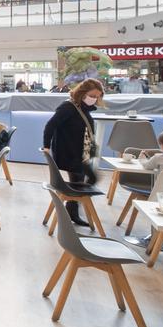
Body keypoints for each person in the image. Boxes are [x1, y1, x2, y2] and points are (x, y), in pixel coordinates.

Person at [42, 79, 105, 227]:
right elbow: (50, 126)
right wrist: (46, 146)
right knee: (86, 179)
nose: (94, 99)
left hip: (79, 154)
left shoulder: (81, 108)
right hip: (69, 154)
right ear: (82, 93)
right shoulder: (68, 107)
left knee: (84, 180)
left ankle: (73, 208)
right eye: (92, 95)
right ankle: (73, 208)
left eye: (97, 96)